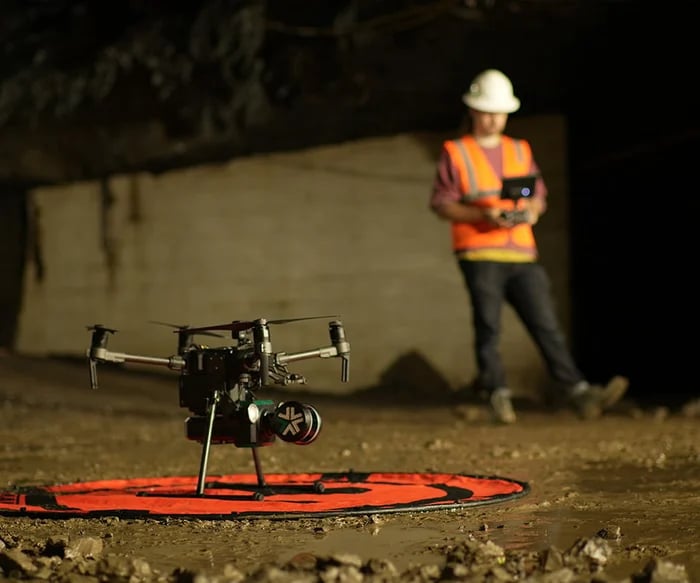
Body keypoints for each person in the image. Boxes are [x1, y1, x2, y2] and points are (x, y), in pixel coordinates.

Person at [428, 68, 628, 424]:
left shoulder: (519, 150)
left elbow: (538, 197)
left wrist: (532, 212)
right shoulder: (456, 152)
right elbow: (442, 203)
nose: (493, 119)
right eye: (487, 111)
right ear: (473, 110)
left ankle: (577, 392)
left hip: (521, 251)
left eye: (499, 112)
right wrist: (483, 215)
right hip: (479, 251)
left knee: (545, 324)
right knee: (489, 326)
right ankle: (496, 393)